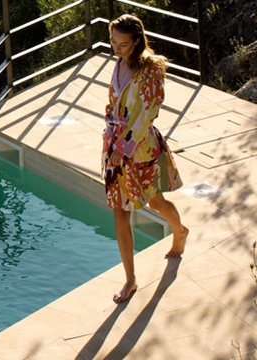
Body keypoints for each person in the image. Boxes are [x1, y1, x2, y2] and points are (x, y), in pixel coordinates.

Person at [104, 14, 189, 303]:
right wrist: (110, 134)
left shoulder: (151, 70)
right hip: (114, 148)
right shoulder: (119, 64)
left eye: (123, 44)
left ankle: (180, 231)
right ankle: (130, 279)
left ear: (137, 41)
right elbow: (113, 102)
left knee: (155, 201)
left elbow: (147, 114)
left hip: (139, 150)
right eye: (114, 42)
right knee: (120, 211)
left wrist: (122, 148)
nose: (117, 48)